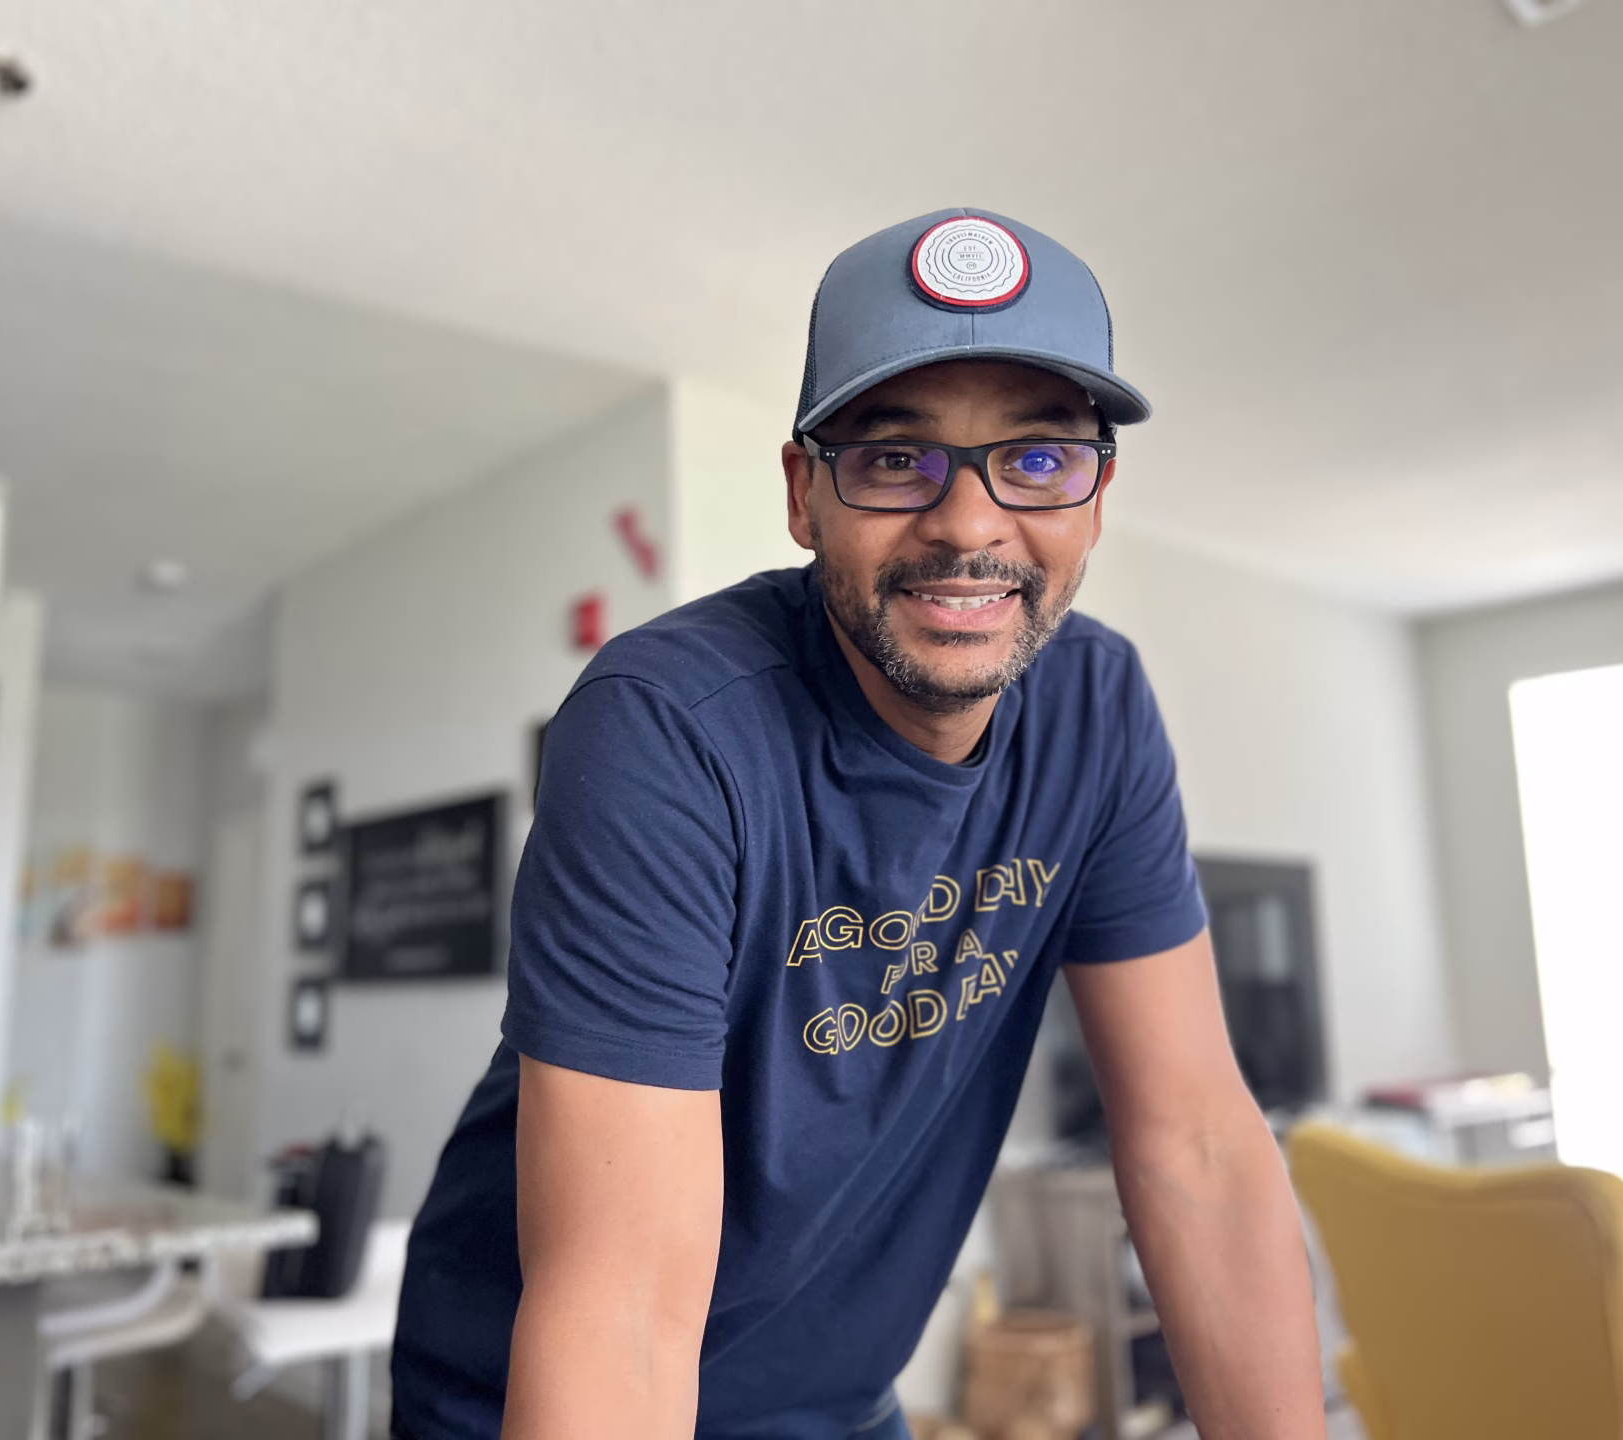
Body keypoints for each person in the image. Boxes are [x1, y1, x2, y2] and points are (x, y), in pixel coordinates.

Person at [392, 209, 1328, 1440]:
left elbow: (1198, 1149)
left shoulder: (1097, 711)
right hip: (532, 1395)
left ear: (1097, 497)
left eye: (1038, 458)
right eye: (895, 459)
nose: (971, 525)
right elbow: (624, 1310)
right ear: (805, 494)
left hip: (833, 1402)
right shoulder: (667, 728)